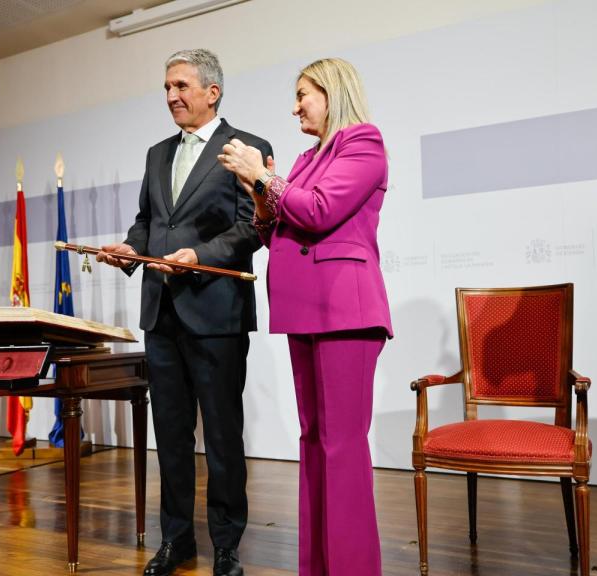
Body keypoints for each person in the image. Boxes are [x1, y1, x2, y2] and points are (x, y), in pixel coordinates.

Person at [95, 49, 272, 576]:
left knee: (220, 435)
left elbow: (252, 229)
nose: (171, 96)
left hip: (216, 315)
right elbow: (148, 223)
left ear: (211, 91)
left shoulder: (249, 149)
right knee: (169, 436)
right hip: (161, 315)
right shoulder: (156, 154)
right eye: (166, 87)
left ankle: (225, 546)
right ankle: (177, 541)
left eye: (181, 86)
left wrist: (199, 258)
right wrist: (129, 251)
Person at [218, 58, 391, 576]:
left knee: (341, 447)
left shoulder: (364, 142)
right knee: (313, 442)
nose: (294, 108)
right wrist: (261, 193)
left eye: (303, 95)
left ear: (332, 92)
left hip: (346, 312)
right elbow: (280, 230)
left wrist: (264, 176)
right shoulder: (306, 156)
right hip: (305, 311)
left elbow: (317, 211)